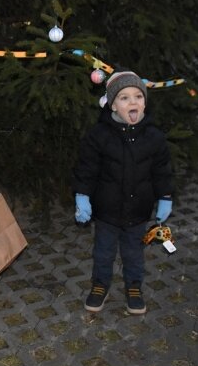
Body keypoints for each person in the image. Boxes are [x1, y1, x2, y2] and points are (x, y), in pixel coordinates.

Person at [72, 71, 174, 315]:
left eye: (138, 96)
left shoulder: (154, 137)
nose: (133, 102)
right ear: (113, 106)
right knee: (103, 252)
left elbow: (163, 171)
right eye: (125, 97)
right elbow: (86, 169)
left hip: (138, 210)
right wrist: (82, 195)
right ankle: (100, 285)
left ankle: (134, 286)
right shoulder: (99, 136)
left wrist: (165, 197)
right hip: (107, 210)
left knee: (134, 253)